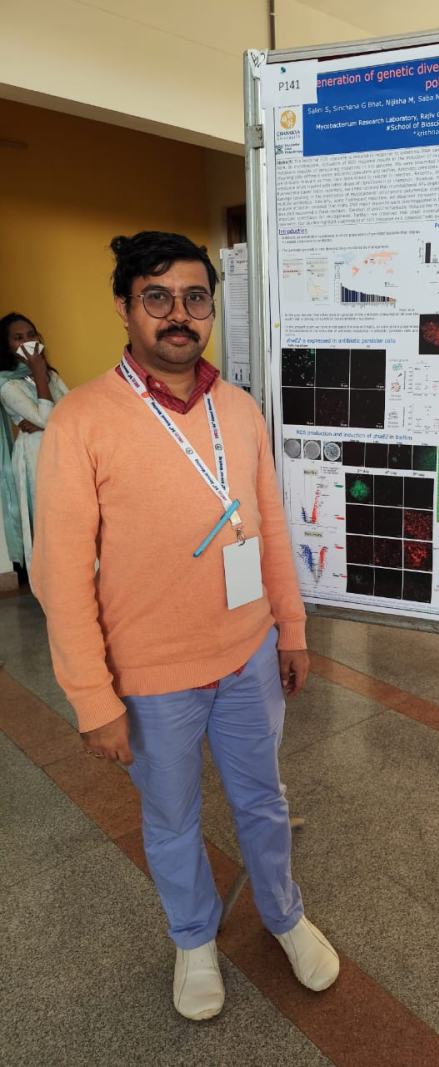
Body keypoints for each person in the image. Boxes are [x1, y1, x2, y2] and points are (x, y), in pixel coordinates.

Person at [30, 231, 339, 1021]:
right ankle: (194, 938)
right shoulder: (81, 419)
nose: (178, 314)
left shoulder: (238, 408)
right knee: (172, 818)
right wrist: (92, 697)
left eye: (194, 298)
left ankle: (284, 914)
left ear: (210, 308)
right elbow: (59, 573)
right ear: (125, 307)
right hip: (151, 675)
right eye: (157, 297)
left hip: (249, 655)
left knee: (263, 799)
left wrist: (291, 628)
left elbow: (269, 523)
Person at [0, 313, 69, 568]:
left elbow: (73, 412)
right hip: (35, 455)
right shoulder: (6, 384)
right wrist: (39, 373)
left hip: (63, 449)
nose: (27, 341)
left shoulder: (51, 375)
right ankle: (50, 580)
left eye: (31, 335)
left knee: (70, 514)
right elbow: (51, 417)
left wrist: (44, 422)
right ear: (6, 345)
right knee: (47, 519)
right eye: (18, 338)